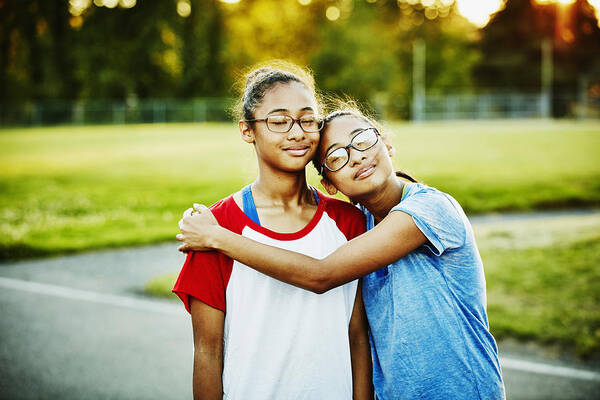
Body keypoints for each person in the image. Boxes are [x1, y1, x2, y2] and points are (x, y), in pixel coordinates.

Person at [177, 105, 506, 400]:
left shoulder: (430, 209)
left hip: (462, 390)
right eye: (336, 157)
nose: (357, 157)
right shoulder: (356, 225)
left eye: (362, 140)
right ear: (330, 185)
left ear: (387, 144)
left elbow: (322, 274)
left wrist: (217, 237)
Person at [172, 64, 373, 400]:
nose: (297, 133)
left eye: (308, 120)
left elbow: (356, 335)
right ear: (247, 131)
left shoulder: (348, 222)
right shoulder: (215, 228)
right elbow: (208, 352)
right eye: (279, 121)